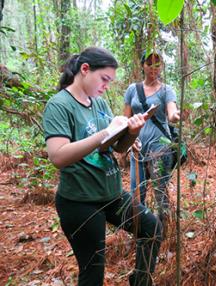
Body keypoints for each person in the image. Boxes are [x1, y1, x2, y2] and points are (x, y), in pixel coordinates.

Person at [42, 47, 161, 286]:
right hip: (80, 201)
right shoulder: (59, 105)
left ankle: (140, 282)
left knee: (152, 229)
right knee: (93, 271)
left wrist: (131, 131)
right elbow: (57, 156)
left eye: (110, 81)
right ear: (85, 70)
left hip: (111, 194)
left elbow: (114, 147)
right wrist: (103, 133)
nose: (106, 86)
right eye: (104, 79)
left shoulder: (99, 103)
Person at [124, 50, 180, 225]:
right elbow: (125, 119)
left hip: (160, 148)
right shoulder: (132, 89)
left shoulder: (166, 90)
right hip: (137, 147)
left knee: (160, 191)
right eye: (149, 64)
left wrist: (176, 116)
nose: (153, 68)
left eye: (157, 64)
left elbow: (171, 113)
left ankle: (162, 230)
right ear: (143, 65)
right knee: (137, 192)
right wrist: (127, 142)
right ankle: (141, 230)